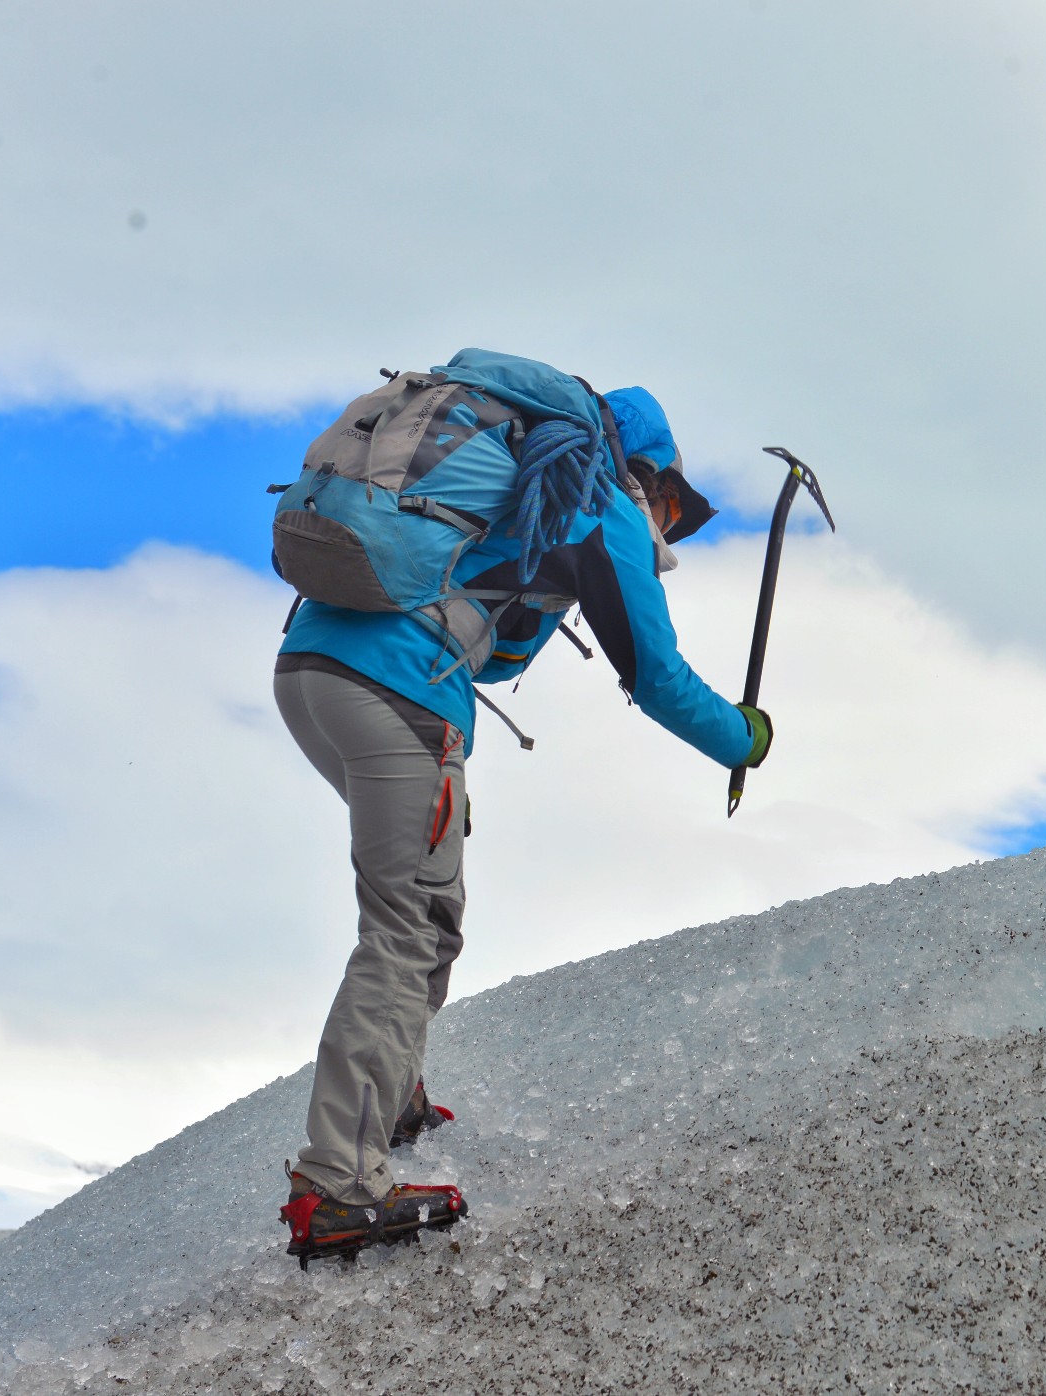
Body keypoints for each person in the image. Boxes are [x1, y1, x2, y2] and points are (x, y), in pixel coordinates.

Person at [271, 355, 770, 1264]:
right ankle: (339, 1180)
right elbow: (655, 679)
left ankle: (393, 1091)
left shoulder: (512, 466)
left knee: (431, 909)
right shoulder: (599, 498)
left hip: (310, 675)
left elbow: (496, 655)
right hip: (399, 695)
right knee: (405, 927)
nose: (670, 529)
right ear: (648, 477)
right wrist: (745, 738)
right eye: (673, 511)